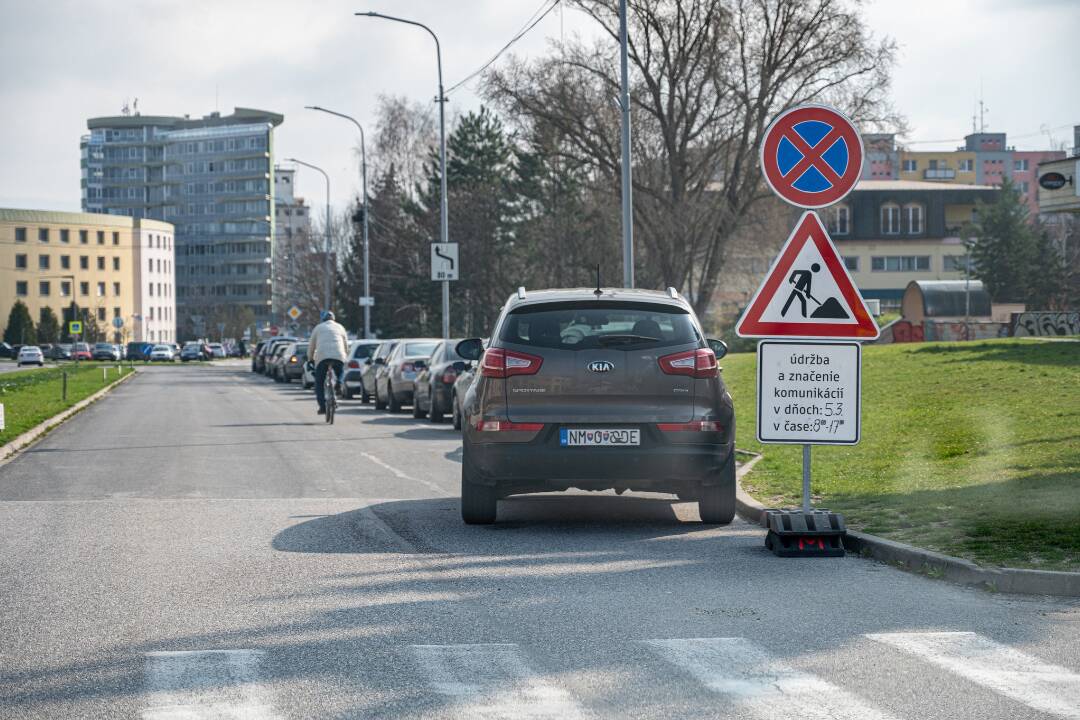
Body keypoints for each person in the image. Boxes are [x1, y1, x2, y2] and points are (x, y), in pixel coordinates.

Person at [308, 310, 349, 415]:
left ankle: (322, 407)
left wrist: (310, 359)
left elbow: (311, 346)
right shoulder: (340, 327)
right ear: (334, 319)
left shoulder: (318, 328)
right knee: (341, 372)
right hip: (338, 355)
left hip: (322, 356)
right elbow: (345, 345)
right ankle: (339, 383)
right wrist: (345, 356)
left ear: (323, 319)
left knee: (319, 382)